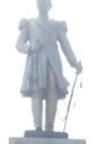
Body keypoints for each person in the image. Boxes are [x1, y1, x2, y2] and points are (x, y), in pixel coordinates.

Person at [17, 0, 82, 132]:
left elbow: (66, 46)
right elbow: (19, 44)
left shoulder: (56, 25)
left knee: (52, 88)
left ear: (50, 5)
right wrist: (30, 48)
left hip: (53, 61)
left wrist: (74, 63)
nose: (42, 4)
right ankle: (37, 126)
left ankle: (50, 126)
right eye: (39, 2)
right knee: (37, 90)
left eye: (45, 2)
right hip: (36, 60)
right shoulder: (29, 24)